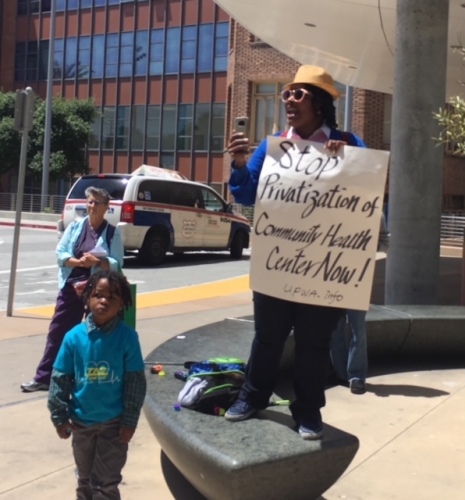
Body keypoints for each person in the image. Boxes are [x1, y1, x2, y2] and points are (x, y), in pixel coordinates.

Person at [224, 65, 366, 440]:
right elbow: (245, 195)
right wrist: (239, 165)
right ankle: (251, 398)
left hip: (323, 267)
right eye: (287, 93)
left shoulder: (348, 140)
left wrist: (348, 158)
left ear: (319, 103)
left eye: (298, 94)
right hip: (279, 262)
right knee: (267, 337)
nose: (288, 99)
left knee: (313, 344)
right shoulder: (274, 146)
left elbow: (370, 183)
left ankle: (307, 412)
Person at [47, 270, 147, 500]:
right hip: (81, 422)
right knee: (84, 477)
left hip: (114, 424)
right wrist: (59, 416)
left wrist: (130, 420)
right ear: (88, 297)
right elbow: (60, 378)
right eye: (99, 295)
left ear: (122, 303)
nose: (104, 301)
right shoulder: (74, 337)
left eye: (112, 297)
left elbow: (135, 381)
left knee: (106, 483)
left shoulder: (128, 338)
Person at [21, 187, 124, 392]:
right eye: (90, 202)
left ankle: (92, 380)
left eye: (97, 203)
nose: (92, 206)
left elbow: (118, 263)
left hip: (98, 291)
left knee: (96, 335)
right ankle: (44, 377)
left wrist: (98, 261)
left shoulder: (113, 233)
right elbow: (61, 253)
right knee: (58, 332)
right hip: (72, 288)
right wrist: (78, 261)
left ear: (106, 208)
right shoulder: (76, 227)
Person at [330, 215, 390, 395]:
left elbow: (385, 242)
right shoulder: (332, 208)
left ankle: (356, 376)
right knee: (334, 328)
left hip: (359, 277)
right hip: (331, 275)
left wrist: (369, 247)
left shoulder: (374, 212)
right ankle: (340, 372)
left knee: (358, 329)